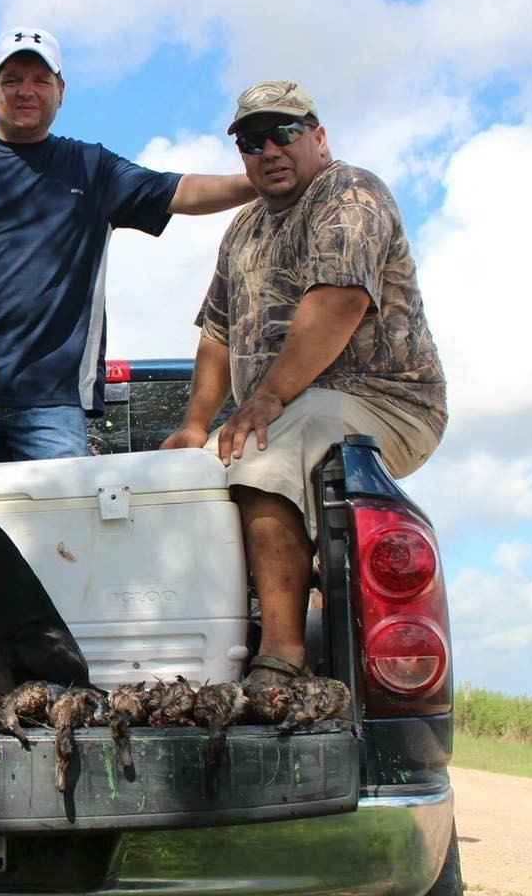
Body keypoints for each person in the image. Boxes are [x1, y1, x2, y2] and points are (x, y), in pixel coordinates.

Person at [161, 80, 447, 686]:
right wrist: (193, 425)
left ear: (318, 137)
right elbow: (214, 334)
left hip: (389, 401)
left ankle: (282, 656)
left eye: (285, 133)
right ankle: (192, 656)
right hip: (291, 408)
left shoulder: (350, 192)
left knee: (270, 446)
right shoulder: (241, 230)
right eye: (251, 140)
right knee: (177, 481)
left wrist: (265, 397)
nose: (269, 150)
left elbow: (339, 303)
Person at [0, 26, 258, 465]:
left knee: (63, 532)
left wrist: (265, 179)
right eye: (11, 80)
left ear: (60, 91)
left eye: (40, 80)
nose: (26, 91)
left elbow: (181, 190)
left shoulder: (91, 167)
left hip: (53, 403)